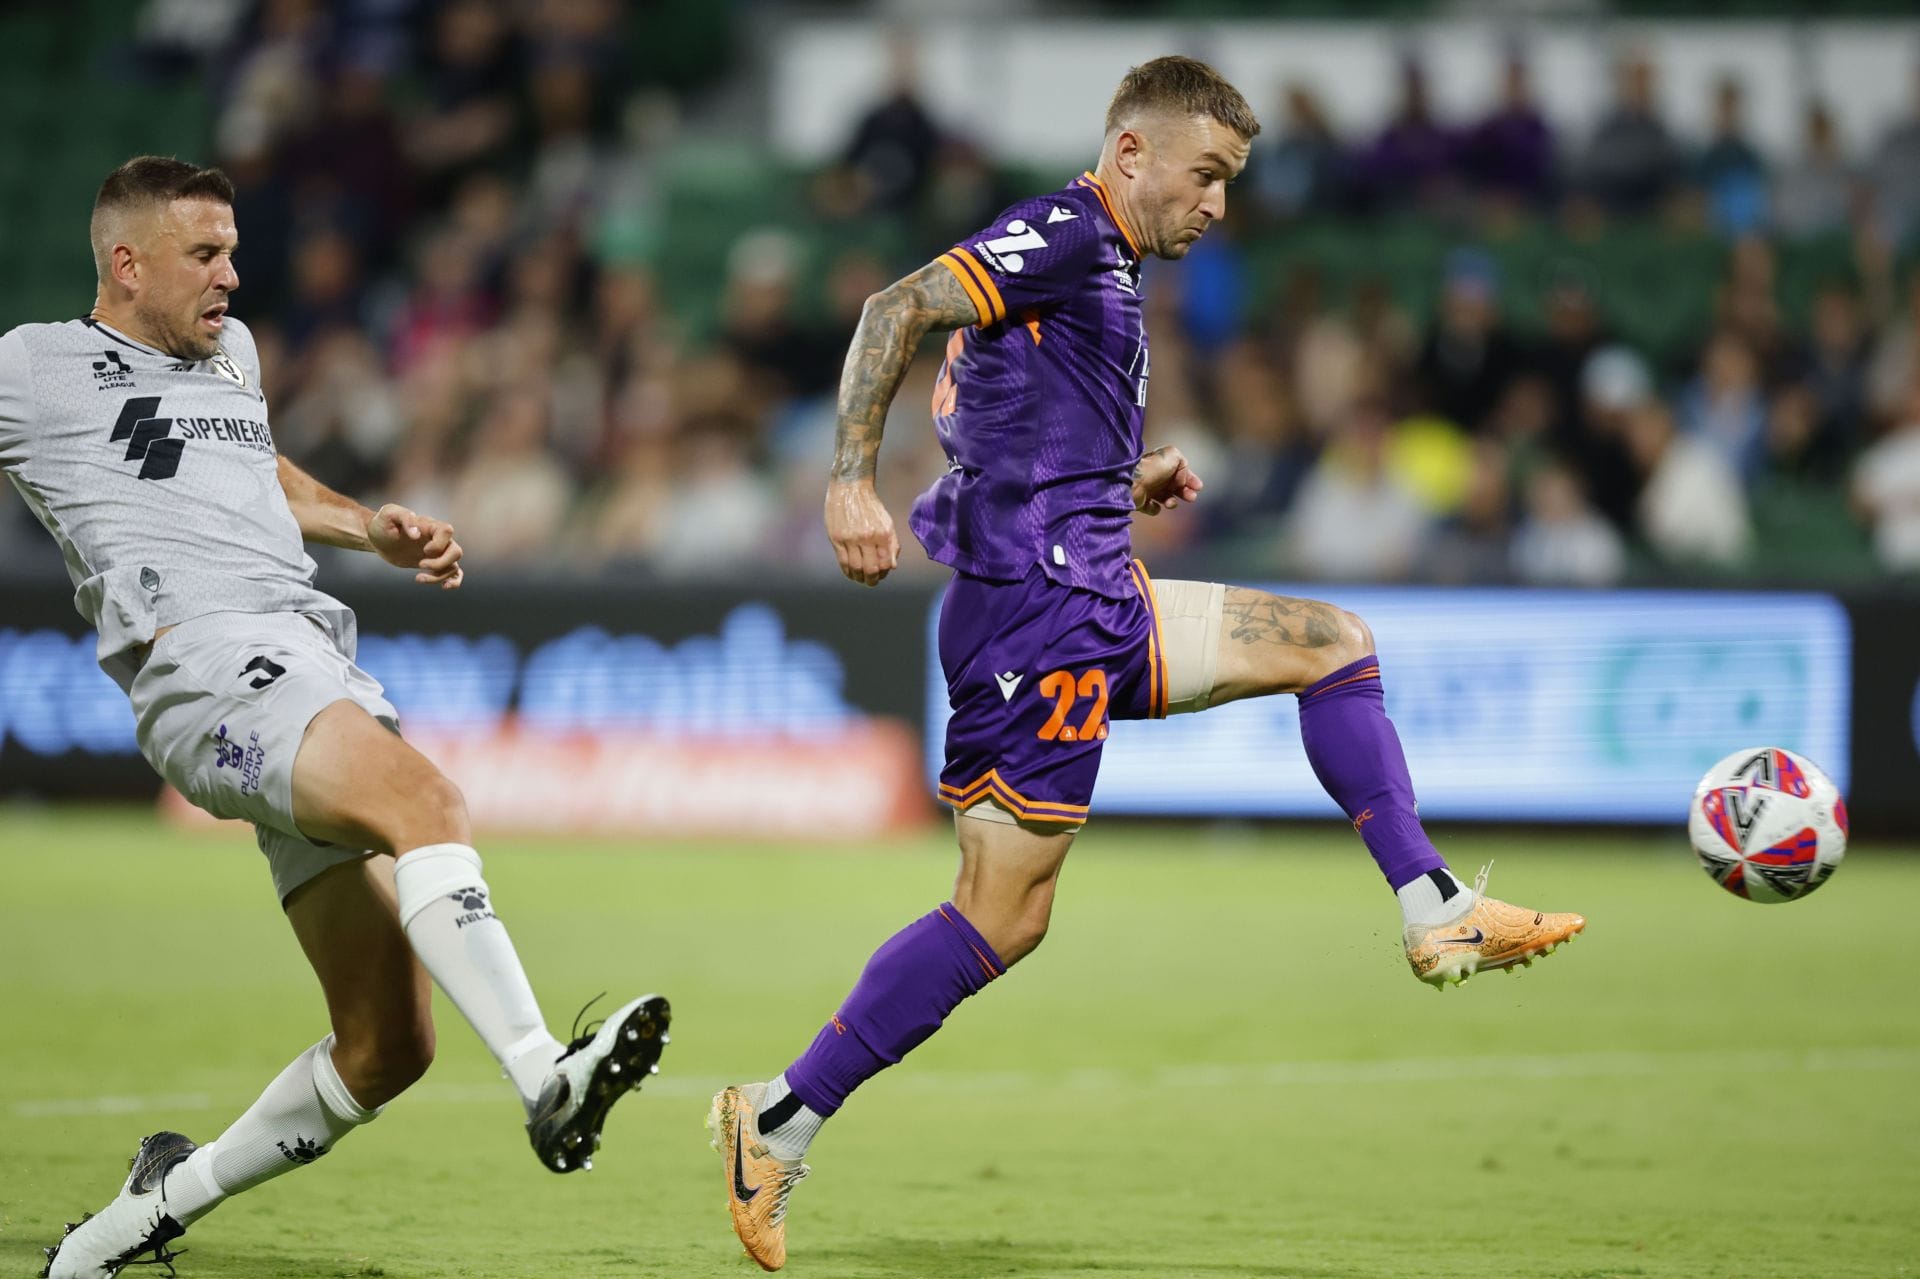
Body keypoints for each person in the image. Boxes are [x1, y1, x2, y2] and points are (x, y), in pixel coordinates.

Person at [707, 57, 1586, 1272]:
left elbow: (1008, 432)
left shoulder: (1101, 265)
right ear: (1131, 153)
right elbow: (890, 311)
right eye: (1206, 174)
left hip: (1094, 593)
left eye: (1231, 181)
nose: (1218, 204)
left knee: (1334, 645)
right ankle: (776, 1120)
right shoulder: (1067, 233)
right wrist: (851, 480)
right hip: (1037, 618)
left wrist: (1124, 478)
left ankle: (1435, 908)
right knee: (1002, 916)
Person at [3, 157, 669, 1279]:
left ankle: (141, 1214)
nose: (231, 275)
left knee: (387, 1046)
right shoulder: (34, 367)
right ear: (127, 263)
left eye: (231, 250)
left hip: (305, 658)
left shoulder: (234, 355)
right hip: (205, 661)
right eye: (204, 254)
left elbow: (259, 473)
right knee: (426, 801)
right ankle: (543, 1072)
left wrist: (372, 530)